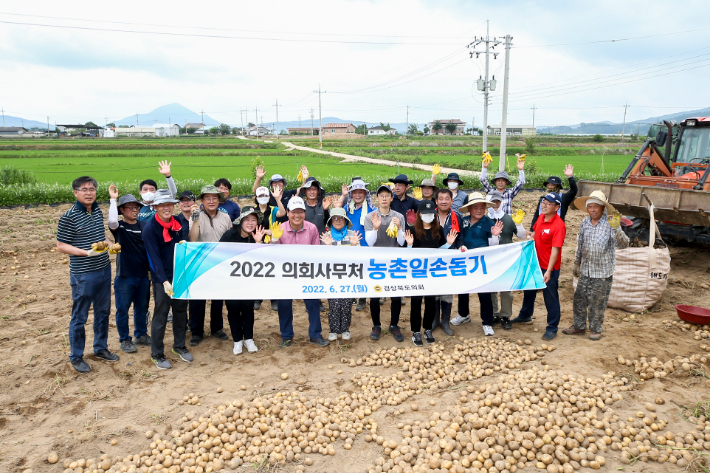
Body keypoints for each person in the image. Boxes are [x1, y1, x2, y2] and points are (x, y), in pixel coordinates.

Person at [57, 176, 121, 373]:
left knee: (103, 312)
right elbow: (61, 246)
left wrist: (111, 245)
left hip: (103, 270)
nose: (89, 192)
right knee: (80, 315)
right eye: (84, 189)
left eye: (92, 189)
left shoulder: (96, 211)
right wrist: (86, 253)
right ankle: (76, 356)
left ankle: (100, 348)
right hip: (83, 273)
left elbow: (100, 235)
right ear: (75, 192)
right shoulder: (69, 216)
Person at [564, 191, 628, 341]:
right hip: (586, 269)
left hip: (602, 272)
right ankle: (579, 326)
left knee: (597, 302)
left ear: (603, 208)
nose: (592, 210)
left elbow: (623, 244)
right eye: (590, 207)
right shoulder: (585, 223)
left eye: (596, 207)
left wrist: (617, 228)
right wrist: (577, 262)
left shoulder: (610, 223)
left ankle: (596, 329)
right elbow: (580, 244)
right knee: (579, 299)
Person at [142, 189, 192, 370]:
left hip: (179, 275)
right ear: (155, 207)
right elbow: (153, 258)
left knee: (180, 312)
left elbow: (183, 243)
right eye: (162, 205)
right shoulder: (150, 229)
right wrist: (163, 281)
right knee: (161, 314)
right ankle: (157, 353)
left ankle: (179, 346)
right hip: (162, 278)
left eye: (169, 204)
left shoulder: (177, 221)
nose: (166, 208)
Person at [272, 196, 330, 348]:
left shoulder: (311, 228)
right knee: (284, 305)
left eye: (300, 212)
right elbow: (272, 253)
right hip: (286, 274)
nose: (297, 216)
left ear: (304, 213)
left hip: (306, 273)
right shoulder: (280, 228)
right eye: (293, 212)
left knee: (313, 304)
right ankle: (286, 336)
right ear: (288, 212)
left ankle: (315, 335)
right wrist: (273, 240)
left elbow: (316, 252)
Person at [511, 193, 567, 340]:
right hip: (535, 263)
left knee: (550, 296)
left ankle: (552, 327)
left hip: (549, 267)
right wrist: (530, 236)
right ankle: (525, 315)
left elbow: (556, 250)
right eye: (543, 202)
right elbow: (534, 233)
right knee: (529, 291)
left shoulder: (559, 226)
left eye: (549, 204)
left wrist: (548, 271)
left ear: (556, 207)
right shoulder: (541, 218)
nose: (544, 205)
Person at [404, 200, 458, 346]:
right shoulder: (412, 230)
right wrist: (409, 245)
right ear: (419, 214)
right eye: (424, 213)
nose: (428, 216)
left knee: (430, 302)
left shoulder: (438, 230)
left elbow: (439, 252)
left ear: (434, 215)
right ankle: (415, 331)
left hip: (431, 274)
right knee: (415, 303)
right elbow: (406, 256)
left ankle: (427, 328)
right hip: (416, 273)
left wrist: (448, 244)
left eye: (430, 213)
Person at [451, 192, 503, 336]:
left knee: (484, 293)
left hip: (482, 263)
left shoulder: (489, 223)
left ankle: (487, 322)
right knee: (463, 289)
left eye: (482, 207)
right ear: (470, 209)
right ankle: (463, 314)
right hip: (465, 260)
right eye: (475, 207)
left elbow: (493, 246)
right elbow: (459, 237)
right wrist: (460, 247)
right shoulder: (464, 221)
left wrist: (494, 235)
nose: (479, 210)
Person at [108, 186, 151, 353]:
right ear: (122, 210)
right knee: (123, 309)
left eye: (136, 207)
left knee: (142, 308)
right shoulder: (119, 227)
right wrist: (113, 199)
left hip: (143, 275)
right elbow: (111, 221)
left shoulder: (145, 226)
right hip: (125, 275)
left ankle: (141, 334)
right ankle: (124, 339)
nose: (134, 210)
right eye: (130, 207)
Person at [188, 185, 233, 346]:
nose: (211, 201)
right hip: (200, 262)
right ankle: (196, 331)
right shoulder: (195, 216)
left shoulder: (225, 217)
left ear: (219, 200)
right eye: (208, 198)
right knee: (198, 298)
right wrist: (194, 220)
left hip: (220, 262)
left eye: (214, 198)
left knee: (218, 297)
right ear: (202, 201)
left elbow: (230, 238)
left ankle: (217, 328)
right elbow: (193, 239)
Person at [219, 207, 266, 354]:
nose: (250, 223)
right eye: (247, 219)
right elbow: (219, 255)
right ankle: (237, 340)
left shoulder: (257, 236)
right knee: (233, 309)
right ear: (241, 221)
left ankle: (249, 339)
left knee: (247, 309)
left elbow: (262, 259)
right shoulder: (229, 235)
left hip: (249, 281)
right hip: (231, 280)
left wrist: (258, 243)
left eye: (254, 220)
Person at [364, 185, 406, 342]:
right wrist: (375, 228)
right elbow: (369, 243)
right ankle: (376, 325)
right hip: (376, 262)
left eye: (386, 195)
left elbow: (402, 242)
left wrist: (400, 228)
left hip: (394, 261)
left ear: (391, 198)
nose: (383, 198)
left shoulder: (398, 217)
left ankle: (394, 325)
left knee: (395, 296)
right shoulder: (370, 217)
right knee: (375, 295)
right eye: (380, 195)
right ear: (376, 199)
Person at [485, 190, 527, 330]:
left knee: (506, 289)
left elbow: (522, 236)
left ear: (501, 202)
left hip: (507, 260)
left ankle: (505, 316)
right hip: (490, 260)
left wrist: (519, 224)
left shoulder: (509, 219)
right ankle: (494, 314)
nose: (495, 205)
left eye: (497, 202)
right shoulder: (485, 220)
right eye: (492, 202)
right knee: (491, 289)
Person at [319, 207, 361, 341]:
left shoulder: (352, 235)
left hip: (348, 276)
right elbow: (322, 259)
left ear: (345, 220)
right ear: (331, 221)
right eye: (335, 218)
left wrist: (355, 246)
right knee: (334, 304)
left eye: (341, 218)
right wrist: (328, 246)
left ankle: (345, 329)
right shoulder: (326, 236)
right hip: (332, 277)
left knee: (347, 304)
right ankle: (333, 329)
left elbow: (360, 258)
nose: (338, 221)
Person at [337, 178, 376, 311]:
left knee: (363, 273)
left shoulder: (372, 209)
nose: (358, 195)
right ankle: (352, 294)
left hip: (365, 246)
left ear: (365, 194)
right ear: (351, 194)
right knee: (352, 271)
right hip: (348, 245)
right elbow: (338, 222)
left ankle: (363, 298)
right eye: (355, 192)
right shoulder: (346, 208)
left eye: (361, 192)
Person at [430, 188, 463, 335]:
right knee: (434, 291)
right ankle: (435, 319)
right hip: (432, 260)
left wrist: (461, 246)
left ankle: (445, 321)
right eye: (441, 198)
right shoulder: (429, 216)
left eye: (446, 198)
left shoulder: (457, 217)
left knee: (447, 291)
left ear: (451, 201)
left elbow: (460, 237)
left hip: (450, 260)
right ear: (436, 201)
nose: (444, 201)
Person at [253, 185, 287, 311]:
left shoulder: (273, 209)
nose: (263, 198)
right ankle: (257, 298)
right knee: (258, 271)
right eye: (260, 195)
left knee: (272, 271)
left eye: (265, 195)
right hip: (256, 243)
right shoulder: (252, 210)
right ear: (256, 198)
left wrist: (278, 199)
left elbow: (282, 213)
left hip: (271, 242)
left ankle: (274, 299)